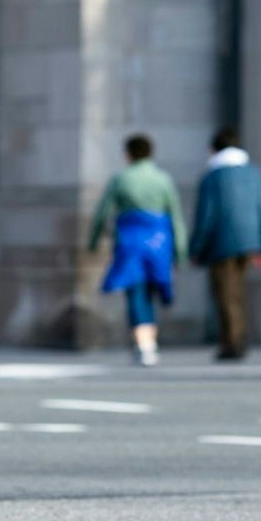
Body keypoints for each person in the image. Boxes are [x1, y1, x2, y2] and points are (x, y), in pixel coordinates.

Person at [88, 134, 187, 366]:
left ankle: (144, 344)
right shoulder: (163, 179)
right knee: (153, 291)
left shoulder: (121, 179)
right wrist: (180, 251)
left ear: (128, 154)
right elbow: (176, 217)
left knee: (135, 292)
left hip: (130, 241)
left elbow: (103, 213)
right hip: (159, 242)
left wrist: (93, 242)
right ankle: (149, 342)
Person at [189, 127, 261, 361]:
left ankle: (233, 343)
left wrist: (196, 247)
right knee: (238, 293)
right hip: (250, 241)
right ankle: (238, 339)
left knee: (226, 295)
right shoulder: (254, 173)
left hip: (221, 243)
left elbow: (206, 216)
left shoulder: (212, 176)